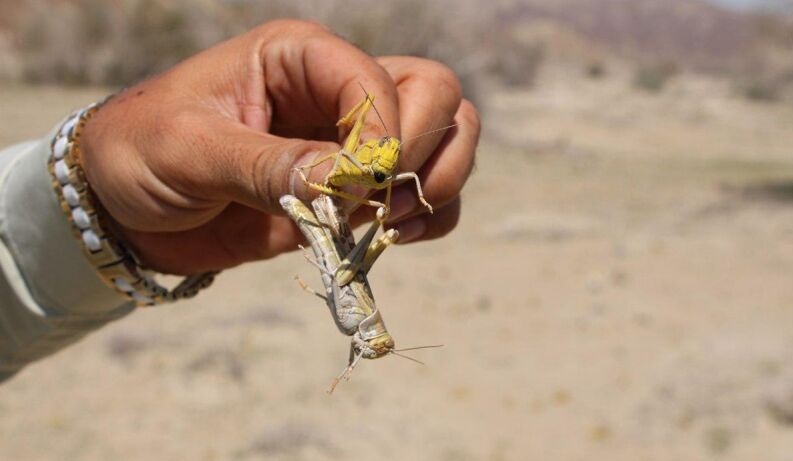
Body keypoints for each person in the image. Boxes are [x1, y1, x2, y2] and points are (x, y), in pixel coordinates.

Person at [0, 20, 480, 381]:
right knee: (367, 233)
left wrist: (107, 222)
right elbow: (348, 275)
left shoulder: (363, 330)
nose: (373, 343)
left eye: (374, 344)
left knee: (374, 229)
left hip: (323, 243)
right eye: (377, 341)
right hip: (334, 234)